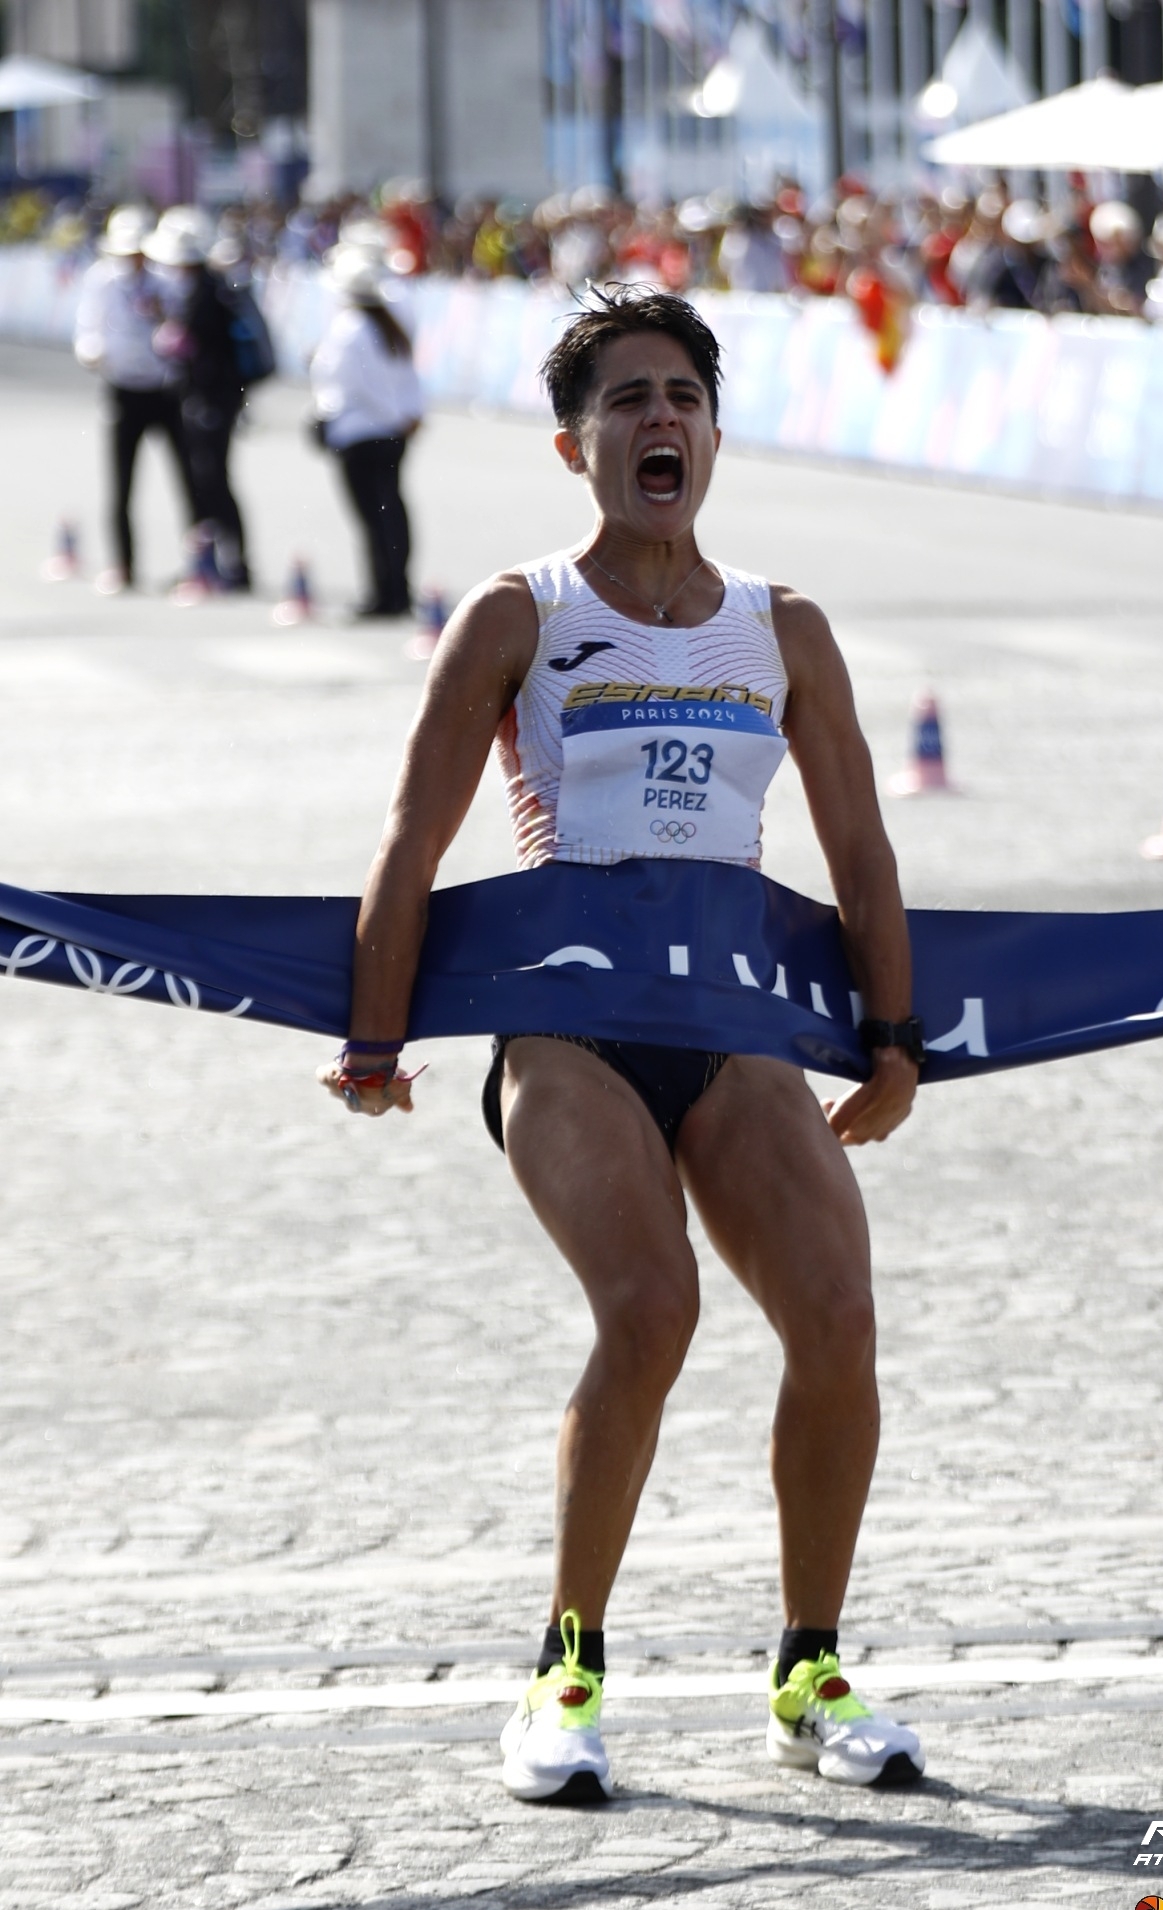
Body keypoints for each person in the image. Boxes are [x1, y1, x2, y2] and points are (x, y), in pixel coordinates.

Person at [317, 287, 927, 1804]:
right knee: (649, 1309)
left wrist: (895, 1040)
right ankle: (565, 1671)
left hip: (732, 1036)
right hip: (570, 1032)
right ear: (574, 444)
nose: (660, 421)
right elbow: (411, 839)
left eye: (682, 399)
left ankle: (808, 1667)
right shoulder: (521, 616)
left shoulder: (779, 628)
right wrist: (376, 1031)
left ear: (714, 434)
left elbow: (858, 848)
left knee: (839, 1322)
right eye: (628, 401)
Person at [72, 205, 197, 594]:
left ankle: (198, 562)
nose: (134, 259)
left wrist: (164, 318)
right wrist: (91, 351)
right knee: (122, 482)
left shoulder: (168, 281)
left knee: (188, 478)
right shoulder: (102, 281)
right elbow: (86, 328)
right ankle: (124, 563)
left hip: (165, 389)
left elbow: (184, 332)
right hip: (124, 388)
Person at [309, 245, 424, 619]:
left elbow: (350, 384)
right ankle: (397, 589)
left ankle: (383, 593)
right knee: (391, 511)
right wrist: (404, 416)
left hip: (360, 432)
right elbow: (405, 379)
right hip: (390, 432)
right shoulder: (387, 325)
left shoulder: (349, 329)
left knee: (372, 519)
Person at [144, 207, 253, 592]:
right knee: (212, 478)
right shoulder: (213, 286)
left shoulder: (203, 293)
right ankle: (222, 561)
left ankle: (229, 563)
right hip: (218, 396)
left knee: (211, 480)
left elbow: (177, 344)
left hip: (210, 398)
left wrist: (159, 321)